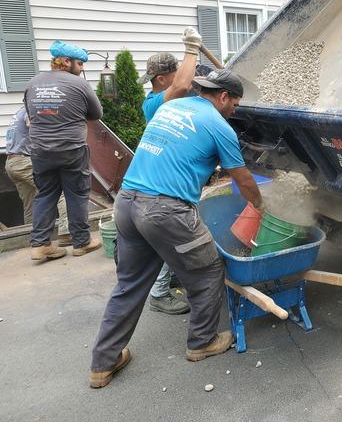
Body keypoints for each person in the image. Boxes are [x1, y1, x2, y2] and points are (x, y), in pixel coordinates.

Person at [89, 68, 262, 388]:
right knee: (208, 268)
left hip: (127, 202)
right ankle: (202, 342)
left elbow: (177, 152)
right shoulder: (217, 124)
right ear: (223, 97)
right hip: (165, 210)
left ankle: (103, 362)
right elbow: (242, 178)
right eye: (235, 104)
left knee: (130, 284)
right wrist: (260, 204)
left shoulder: (170, 107)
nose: (235, 110)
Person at [136, 27, 203, 315]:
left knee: (166, 239)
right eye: (175, 72)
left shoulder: (167, 99)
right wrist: (191, 48)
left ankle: (169, 278)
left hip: (160, 181)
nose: (180, 76)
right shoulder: (153, 104)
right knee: (170, 239)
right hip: (161, 189)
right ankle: (160, 294)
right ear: (162, 79)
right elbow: (183, 87)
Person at [24, 40, 103, 262]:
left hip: (40, 149)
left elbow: (31, 114)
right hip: (72, 148)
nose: (82, 68)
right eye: (80, 63)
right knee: (76, 193)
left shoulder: (33, 83)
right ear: (66, 62)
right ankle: (81, 242)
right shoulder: (80, 84)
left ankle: (41, 245)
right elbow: (96, 114)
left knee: (45, 194)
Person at [5, 107, 71, 244]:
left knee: (30, 203)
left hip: (11, 163)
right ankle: (66, 233)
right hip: (24, 162)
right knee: (58, 191)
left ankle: (33, 240)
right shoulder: (30, 111)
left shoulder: (18, 112)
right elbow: (33, 127)